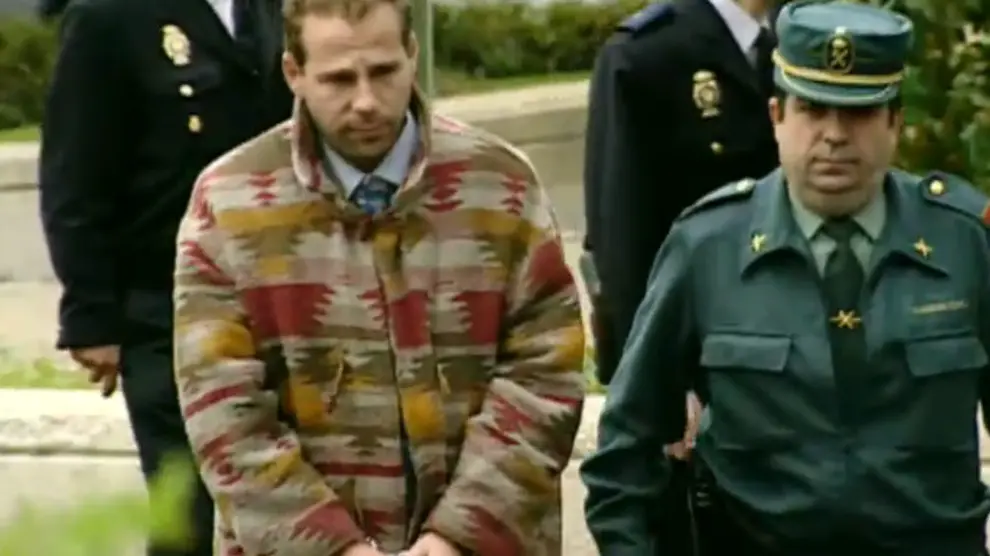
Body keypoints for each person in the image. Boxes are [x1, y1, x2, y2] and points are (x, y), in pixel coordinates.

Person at [172, 0, 586, 554]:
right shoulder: (229, 205)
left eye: (385, 71)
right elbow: (224, 413)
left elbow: (546, 372)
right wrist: (335, 547)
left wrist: (456, 535)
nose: (366, 101)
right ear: (294, 73)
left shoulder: (500, 185)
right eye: (339, 79)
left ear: (412, 54)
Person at [582, 2, 990, 555]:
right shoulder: (708, 247)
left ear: (895, 123)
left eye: (858, 113)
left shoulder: (965, 241)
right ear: (776, 117)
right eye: (813, 110)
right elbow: (625, 454)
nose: (834, 136)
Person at [37, 0, 292, 554]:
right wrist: (92, 316)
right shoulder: (108, 17)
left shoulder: (268, 9)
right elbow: (74, 177)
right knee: (191, 516)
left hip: (275, 305)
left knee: (275, 512)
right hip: (165, 316)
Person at [583, 0, 781, 386]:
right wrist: (655, 385)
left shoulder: (790, 47)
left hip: (789, 355)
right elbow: (624, 247)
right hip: (697, 363)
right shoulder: (645, 56)